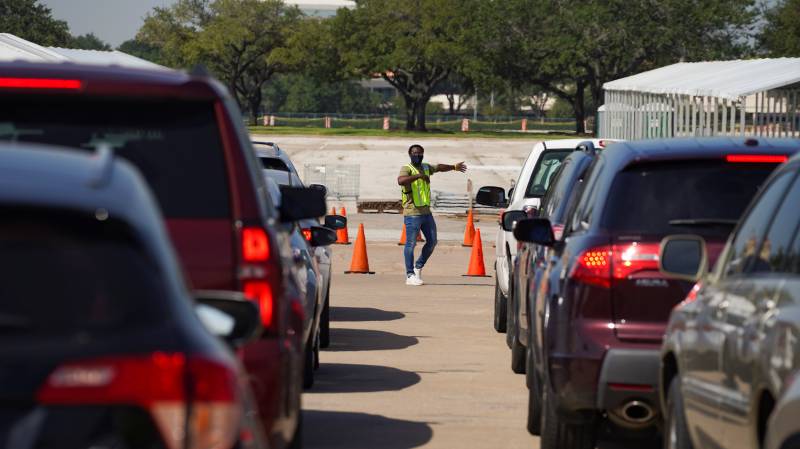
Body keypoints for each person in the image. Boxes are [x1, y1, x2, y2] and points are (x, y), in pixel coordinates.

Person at [397, 144, 467, 286]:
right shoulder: (407, 168)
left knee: (432, 241)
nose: (418, 156)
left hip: (426, 213)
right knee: (410, 244)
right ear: (410, 154)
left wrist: (453, 167)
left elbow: (439, 167)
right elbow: (400, 181)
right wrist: (418, 176)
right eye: (415, 153)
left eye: (420, 153)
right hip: (412, 213)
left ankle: (418, 267)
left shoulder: (426, 167)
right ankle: (409, 275)